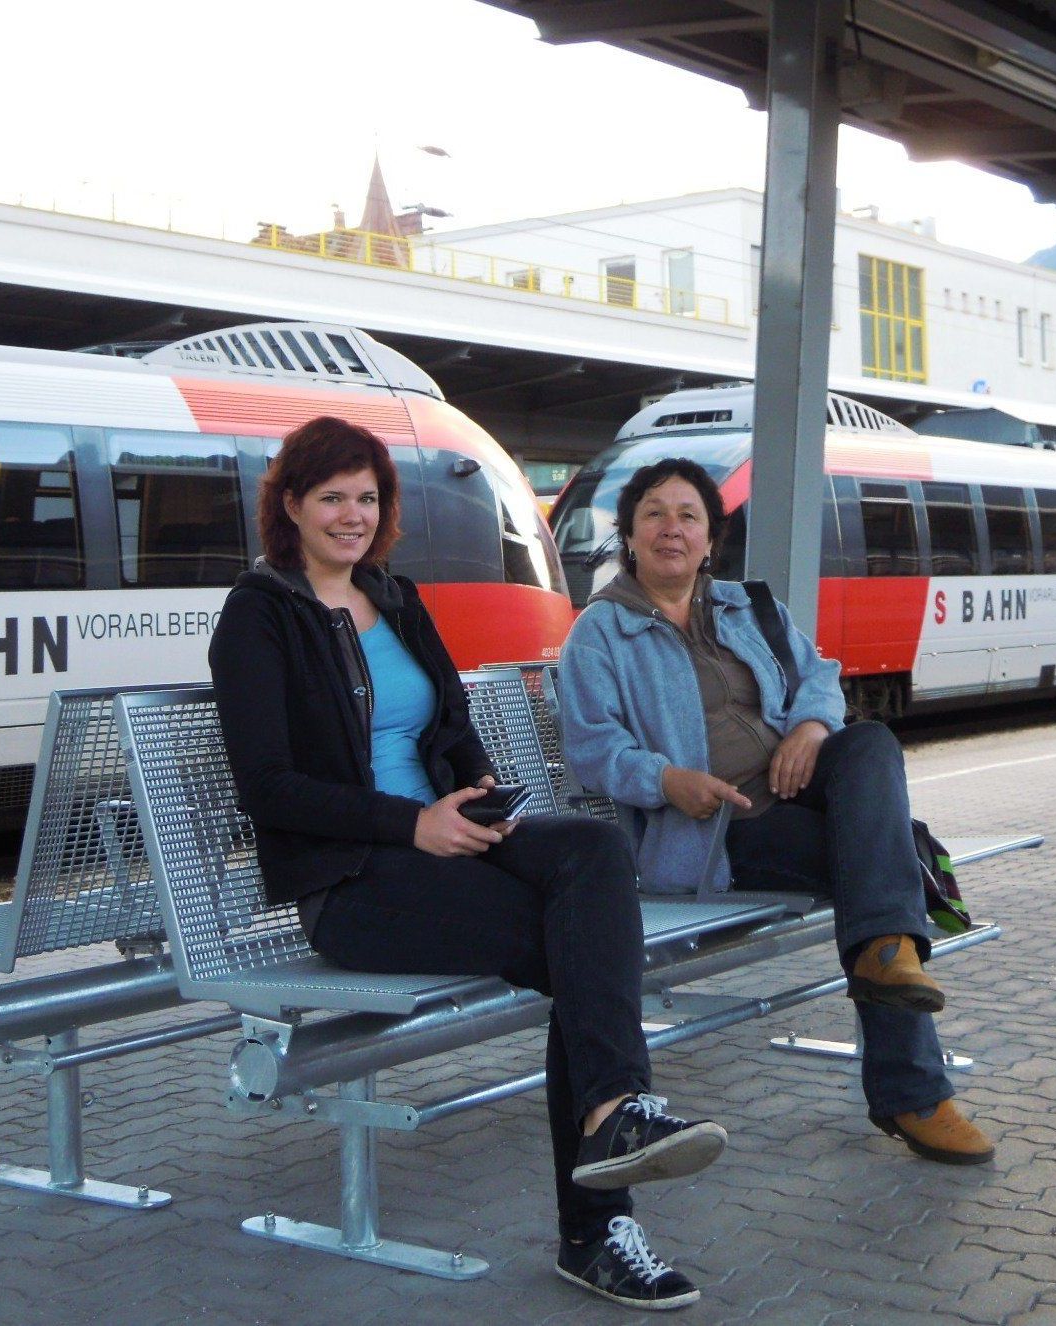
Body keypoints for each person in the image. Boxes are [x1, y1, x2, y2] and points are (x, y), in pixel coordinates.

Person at [209, 418, 728, 1310]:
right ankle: (599, 1216)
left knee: (596, 851)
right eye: (332, 496)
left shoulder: (397, 600)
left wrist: (472, 787)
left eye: (367, 497)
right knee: (581, 950)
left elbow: (449, 724)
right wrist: (412, 824)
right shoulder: (258, 616)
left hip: (448, 838)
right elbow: (269, 788)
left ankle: (612, 1122)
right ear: (290, 504)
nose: (352, 515)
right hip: (354, 884)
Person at [557, 457, 994, 1166]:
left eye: (689, 515)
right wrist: (669, 780)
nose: (673, 529)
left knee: (870, 742)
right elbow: (595, 751)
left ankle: (890, 960)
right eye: (655, 515)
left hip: (802, 786)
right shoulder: (600, 634)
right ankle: (913, 1086)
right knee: (881, 872)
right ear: (630, 538)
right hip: (719, 827)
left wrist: (812, 729)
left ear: (709, 538)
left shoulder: (745, 606)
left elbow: (818, 677)